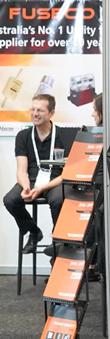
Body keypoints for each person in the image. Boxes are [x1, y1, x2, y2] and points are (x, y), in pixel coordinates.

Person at [4, 94, 68, 255]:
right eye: (32, 109)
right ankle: (33, 232)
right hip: (31, 181)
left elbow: (66, 174)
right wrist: (26, 187)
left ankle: (58, 241)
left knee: (58, 200)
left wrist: (41, 189)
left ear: (51, 113)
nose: (35, 114)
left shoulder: (64, 136)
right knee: (10, 200)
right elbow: (21, 170)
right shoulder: (23, 136)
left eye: (40, 110)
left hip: (55, 181)